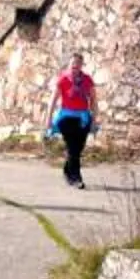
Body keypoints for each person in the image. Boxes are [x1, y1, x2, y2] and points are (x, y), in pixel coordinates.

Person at [51, 52, 97, 186]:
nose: (75, 66)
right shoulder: (63, 79)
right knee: (73, 147)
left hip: (83, 118)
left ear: (81, 65)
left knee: (79, 147)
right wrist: (48, 121)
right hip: (67, 118)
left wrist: (94, 119)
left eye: (78, 63)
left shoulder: (87, 80)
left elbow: (93, 100)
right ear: (69, 64)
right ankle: (76, 177)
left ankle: (67, 169)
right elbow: (53, 100)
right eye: (73, 63)